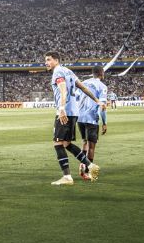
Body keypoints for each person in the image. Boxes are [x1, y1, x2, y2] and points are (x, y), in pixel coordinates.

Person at [44, 51, 106, 186]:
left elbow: (63, 90)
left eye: (48, 60)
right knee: (66, 143)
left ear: (56, 60)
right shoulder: (68, 71)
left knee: (57, 143)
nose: (46, 63)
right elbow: (82, 87)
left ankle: (67, 177)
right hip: (74, 111)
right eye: (46, 60)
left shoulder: (58, 72)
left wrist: (61, 108)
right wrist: (96, 100)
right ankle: (90, 165)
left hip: (65, 111)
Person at [75, 66, 109, 181]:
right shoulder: (102, 86)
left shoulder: (83, 83)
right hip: (91, 118)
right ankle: (89, 171)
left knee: (84, 142)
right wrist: (104, 123)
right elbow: (102, 107)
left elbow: (76, 98)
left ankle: (82, 164)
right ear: (101, 73)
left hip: (80, 117)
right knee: (92, 146)